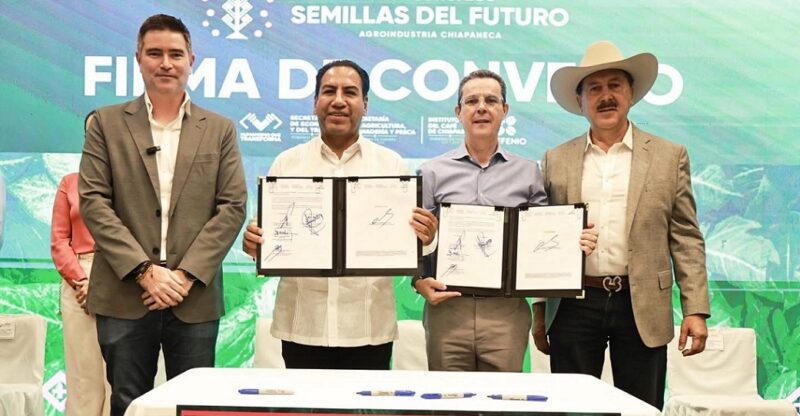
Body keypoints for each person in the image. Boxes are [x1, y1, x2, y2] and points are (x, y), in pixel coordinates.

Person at [79, 14, 246, 415]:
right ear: (138, 59)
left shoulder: (219, 129)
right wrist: (145, 271)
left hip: (194, 295)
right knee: (127, 402)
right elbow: (94, 202)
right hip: (125, 293)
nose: (166, 63)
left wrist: (185, 275)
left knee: (194, 406)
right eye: (155, 53)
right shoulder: (105, 123)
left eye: (176, 54)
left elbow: (232, 206)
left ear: (192, 60)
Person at [534, 40, 710, 408]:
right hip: (573, 303)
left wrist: (694, 308)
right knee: (573, 409)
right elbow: (540, 238)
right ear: (580, 102)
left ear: (631, 93)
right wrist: (538, 309)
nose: (606, 96)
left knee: (641, 409)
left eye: (615, 85)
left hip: (641, 302)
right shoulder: (555, 160)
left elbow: (686, 238)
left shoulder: (669, 156)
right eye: (594, 89)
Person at [242, 60, 438, 370]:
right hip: (302, 325)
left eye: (350, 92)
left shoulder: (391, 165)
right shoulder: (287, 164)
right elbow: (267, 240)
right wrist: (255, 244)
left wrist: (427, 238)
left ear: (365, 105)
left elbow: (413, 245)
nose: (338, 100)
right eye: (329, 91)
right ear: (315, 103)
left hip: (368, 328)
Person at [413, 69, 597, 371]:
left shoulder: (528, 172)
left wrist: (573, 240)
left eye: (491, 100)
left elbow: (543, 235)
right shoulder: (431, 171)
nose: (481, 108)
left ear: (504, 110)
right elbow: (415, 241)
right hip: (448, 309)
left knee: (503, 397)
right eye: (471, 101)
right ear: (458, 112)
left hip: (506, 313)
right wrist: (418, 280)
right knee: (449, 397)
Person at [50, 110, 110, 416]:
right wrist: (83, 281)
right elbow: (59, 241)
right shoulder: (70, 182)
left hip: (124, 278)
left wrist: (103, 281)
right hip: (79, 283)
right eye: (92, 134)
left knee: (123, 377)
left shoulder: (135, 187)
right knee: (83, 378)